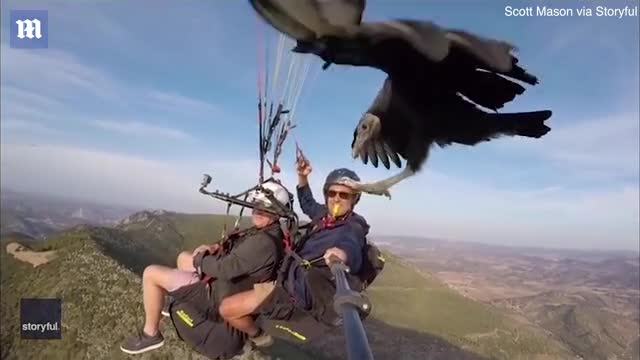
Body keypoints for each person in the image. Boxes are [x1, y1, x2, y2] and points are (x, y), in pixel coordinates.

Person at [119, 179, 293, 355]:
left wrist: (199, 261)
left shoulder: (263, 242)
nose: (257, 211)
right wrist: (213, 248)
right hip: (223, 285)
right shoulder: (266, 233)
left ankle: (151, 334)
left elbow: (225, 268)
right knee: (182, 258)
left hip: (217, 295)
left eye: (264, 208)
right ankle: (172, 300)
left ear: (277, 213)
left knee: (151, 274)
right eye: (256, 205)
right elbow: (236, 253)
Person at [217, 156, 370, 347]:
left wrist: (342, 255)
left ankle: (258, 335)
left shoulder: (352, 226)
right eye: (332, 193)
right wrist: (303, 177)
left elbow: (352, 245)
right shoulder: (325, 215)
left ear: (355, 199)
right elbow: (307, 203)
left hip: (293, 293)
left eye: (344, 195)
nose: (336, 198)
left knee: (227, 309)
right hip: (288, 274)